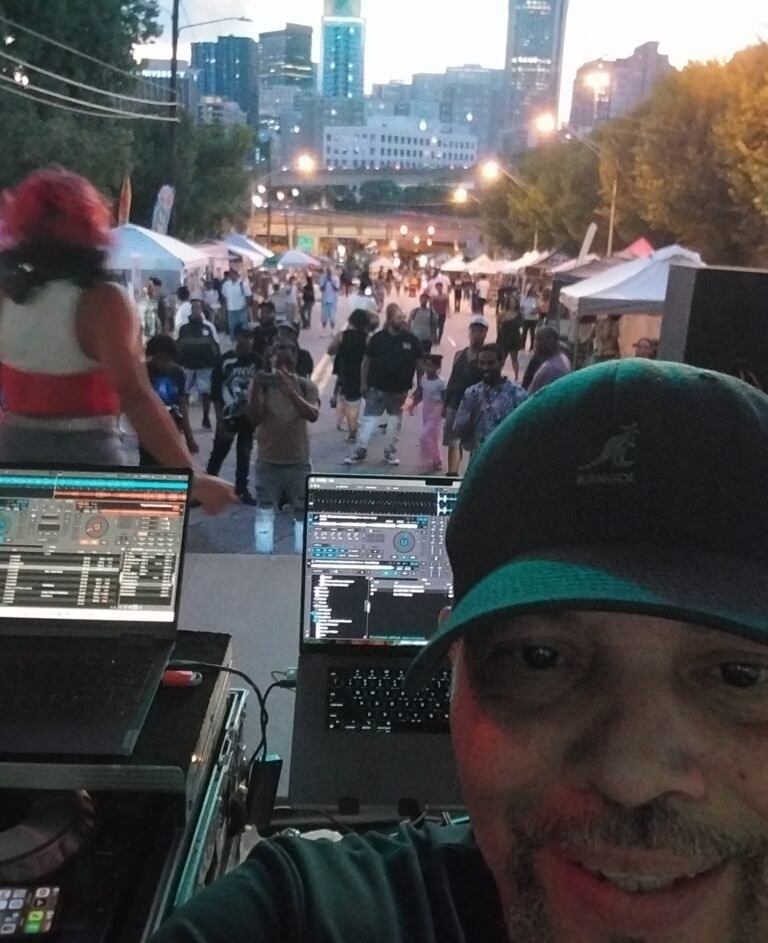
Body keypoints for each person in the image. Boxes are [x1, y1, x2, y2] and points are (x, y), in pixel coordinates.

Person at [154, 359, 768, 943]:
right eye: (538, 659)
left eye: (741, 675)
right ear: (453, 670)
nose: (632, 777)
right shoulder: (302, 914)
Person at [0, 167, 231, 513]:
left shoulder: (6, 296)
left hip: (12, 464)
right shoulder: (103, 302)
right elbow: (135, 396)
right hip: (89, 465)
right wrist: (193, 477)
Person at [248, 340, 320, 555]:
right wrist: (256, 389)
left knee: (302, 515)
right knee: (264, 515)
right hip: (268, 462)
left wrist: (291, 393)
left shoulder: (306, 386)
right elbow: (253, 418)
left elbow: (313, 414)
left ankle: (299, 558)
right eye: (278, 363)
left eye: (286, 363)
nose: (281, 369)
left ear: (295, 362)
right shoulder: (264, 385)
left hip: (298, 463)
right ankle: (264, 557)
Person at [347, 304, 423, 467]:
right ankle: (360, 450)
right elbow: (366, 362)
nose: (402, 320)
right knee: (369, 420)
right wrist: (363, 383)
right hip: (377, 388)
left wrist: (420, 385)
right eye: (398, 317)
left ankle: (390, 452)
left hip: (399, 390)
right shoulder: (378, 339)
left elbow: (419, 364)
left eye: (403, 317)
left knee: (394, 422)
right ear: (389, 319)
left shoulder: (411, 340)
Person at [206, 326, 261, 505]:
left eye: (251, 338)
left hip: (247, 416)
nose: (250, 341)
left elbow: (262, 388)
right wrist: (219, 419)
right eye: (246, 337)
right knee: (218, 453)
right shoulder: (224, 361)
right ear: (237, 338)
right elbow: (215, 393)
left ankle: (241, 489)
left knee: (244, 453)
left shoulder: (256, 360)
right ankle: (206, 488)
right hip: (228, 414)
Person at [453, 342, 527, 456]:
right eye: (481, 363)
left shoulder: (517, 394)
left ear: (501, 363)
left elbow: (525, 430)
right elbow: (460, 429)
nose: (485, 368)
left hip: (508, 457)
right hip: (479, 458)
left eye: (491, 363)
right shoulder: (472, 394)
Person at [140, 335, 197, 466]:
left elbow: (182, 405)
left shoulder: (177, 373)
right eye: (159, 359)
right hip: (149, 430)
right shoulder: (144, 372)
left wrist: (189, 437)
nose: (163, 364)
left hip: (173, 428)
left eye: (166, 359)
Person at [443, 316, 488, 476]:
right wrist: (446, 403)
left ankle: (472, 473)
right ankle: (452, 473)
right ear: (470, 332)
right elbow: (453, 379)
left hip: (477, 406)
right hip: (455, 403)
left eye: (480, 331)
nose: (477, 334)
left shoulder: (487, 357)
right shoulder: (459, 355)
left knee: (475, 442)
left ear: (485, 333)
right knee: (453, 441)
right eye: (474, 330)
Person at [176, 299, 220, 430]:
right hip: (187, 366)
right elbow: (177, 345)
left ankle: (206, 418)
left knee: (205, 392)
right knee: (184, 393)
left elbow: (215, 346)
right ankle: (184, 420)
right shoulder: (183, 328)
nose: (196, 310)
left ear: (201, 310)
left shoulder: (209, 327)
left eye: (198, 308)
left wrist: (216, 362)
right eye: (193, 308)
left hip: (204, 366)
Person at [328, 308, 370, 442]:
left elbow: (330, 350)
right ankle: (352, 430)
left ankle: (346, 426)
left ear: (351, 320)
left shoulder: (342, 336)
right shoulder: (367, 338)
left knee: (344, 399)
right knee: (355, 404)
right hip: (360, 373)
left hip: (344, 372)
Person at [407, 354, 445, 473]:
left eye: (431, 366)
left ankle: (428, 460)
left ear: (437, 367)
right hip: (426, 410)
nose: (428, 368)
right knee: (432, 437)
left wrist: (446, 412)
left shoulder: (441, 383)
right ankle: (436, 460)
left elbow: (445, 399)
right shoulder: (424, 379)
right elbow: (420, 393)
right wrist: (412, 405)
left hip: (437, 411)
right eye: (426, 365)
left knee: (424, 436)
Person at [527, 325, 572, 394]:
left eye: (537, 341)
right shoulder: (561, 357)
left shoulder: (552, 369)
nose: (535, 345)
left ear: (543, 344)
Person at [496, 294, 523, 382]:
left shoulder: (519, 314)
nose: (512, 304)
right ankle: (498, 374)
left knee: (514, 358)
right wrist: (499, 336)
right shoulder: (502, 314)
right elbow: (498, 326)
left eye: (514, 302)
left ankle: (516, 377)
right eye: (511, 302)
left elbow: (521, 326)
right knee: (502, 358)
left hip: (514, 338)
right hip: (504, 338)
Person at [221, 268, 253, 337]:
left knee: (243, 327)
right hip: (230, 310)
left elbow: (248, 295)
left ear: (236, 274)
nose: (231, 275)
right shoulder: (226, 285)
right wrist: (225, 307)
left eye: (233, 274)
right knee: (232, 326)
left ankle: (244, 339)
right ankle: (233, 338)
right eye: (230, 274)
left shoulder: (243, 284)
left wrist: (245, 306)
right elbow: (224, 296)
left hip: (241, 309)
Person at [318, 268, 341, 334]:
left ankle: (332, 330)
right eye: (327, 272)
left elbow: (336, 289)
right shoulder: (323, 278)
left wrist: (331, 281)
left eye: (330, 272)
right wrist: (325, 281)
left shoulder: (336, 279)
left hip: (333, 301)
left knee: (332, 317)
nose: (329, 273)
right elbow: (321, 289)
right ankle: (323, 331)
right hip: (325, 301)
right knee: (324, 317)